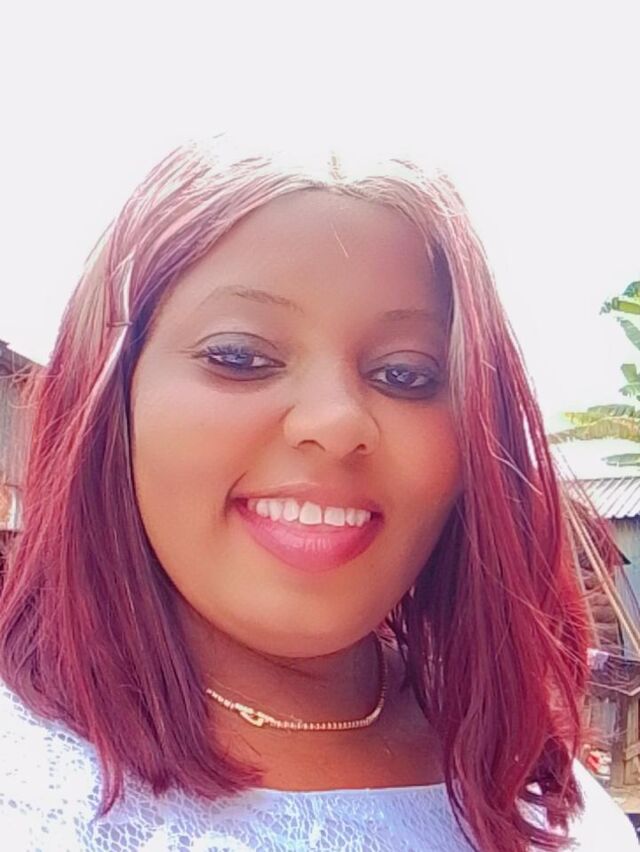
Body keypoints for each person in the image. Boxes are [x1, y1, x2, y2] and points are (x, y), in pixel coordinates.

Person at [0, 135, 636, 852]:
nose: (337, 423)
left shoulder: (535, 790)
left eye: (405, 374)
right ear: (108, 398)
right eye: (240, 356)